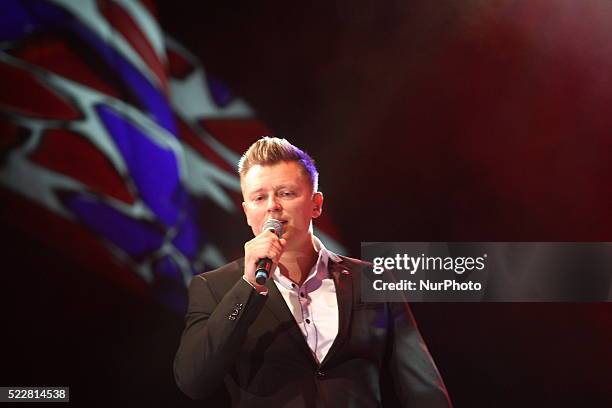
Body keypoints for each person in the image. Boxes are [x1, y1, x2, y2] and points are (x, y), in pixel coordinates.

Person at [174, 137, 452, 407]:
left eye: (286, 193)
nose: (273, 205)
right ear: (247, 212)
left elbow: (422, 388)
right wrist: (248, 287)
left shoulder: (372, 279)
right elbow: (193, 381)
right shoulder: (214, 287)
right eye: (260, 197)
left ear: (316, 204)